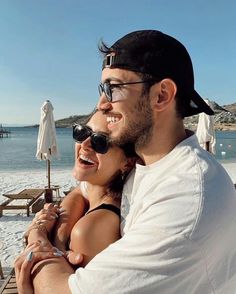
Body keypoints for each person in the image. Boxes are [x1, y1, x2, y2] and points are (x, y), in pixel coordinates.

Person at [15, 30, 236, 293]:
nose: (102, 103)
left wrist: (37, 243)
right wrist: (55, 235)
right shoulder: (146, 161)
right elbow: (82, 190)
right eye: (102, 89)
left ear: (162, 95)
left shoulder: (187, 194)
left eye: (114, 87)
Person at [15, 109, 136, 293]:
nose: (85, 144)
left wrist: (37, 233)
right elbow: (78, 192)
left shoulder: (89, 230)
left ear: (127, 162)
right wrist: (58, 239)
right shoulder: (95, 195)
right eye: (82, 132)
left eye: (100, 141)